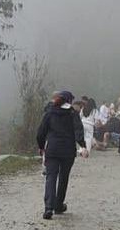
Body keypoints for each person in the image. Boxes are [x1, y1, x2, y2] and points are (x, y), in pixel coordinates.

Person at [36, 91, 88, 220]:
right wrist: (83, 146)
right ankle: (58, 205)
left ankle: (48, 208)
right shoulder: (72, 113)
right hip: (68, 151)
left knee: (50, 177)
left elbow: (41, 132)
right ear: (69, 101)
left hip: (52, 149)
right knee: (63, 178)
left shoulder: (50, 112)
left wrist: (41, 147)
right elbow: (78, 130)